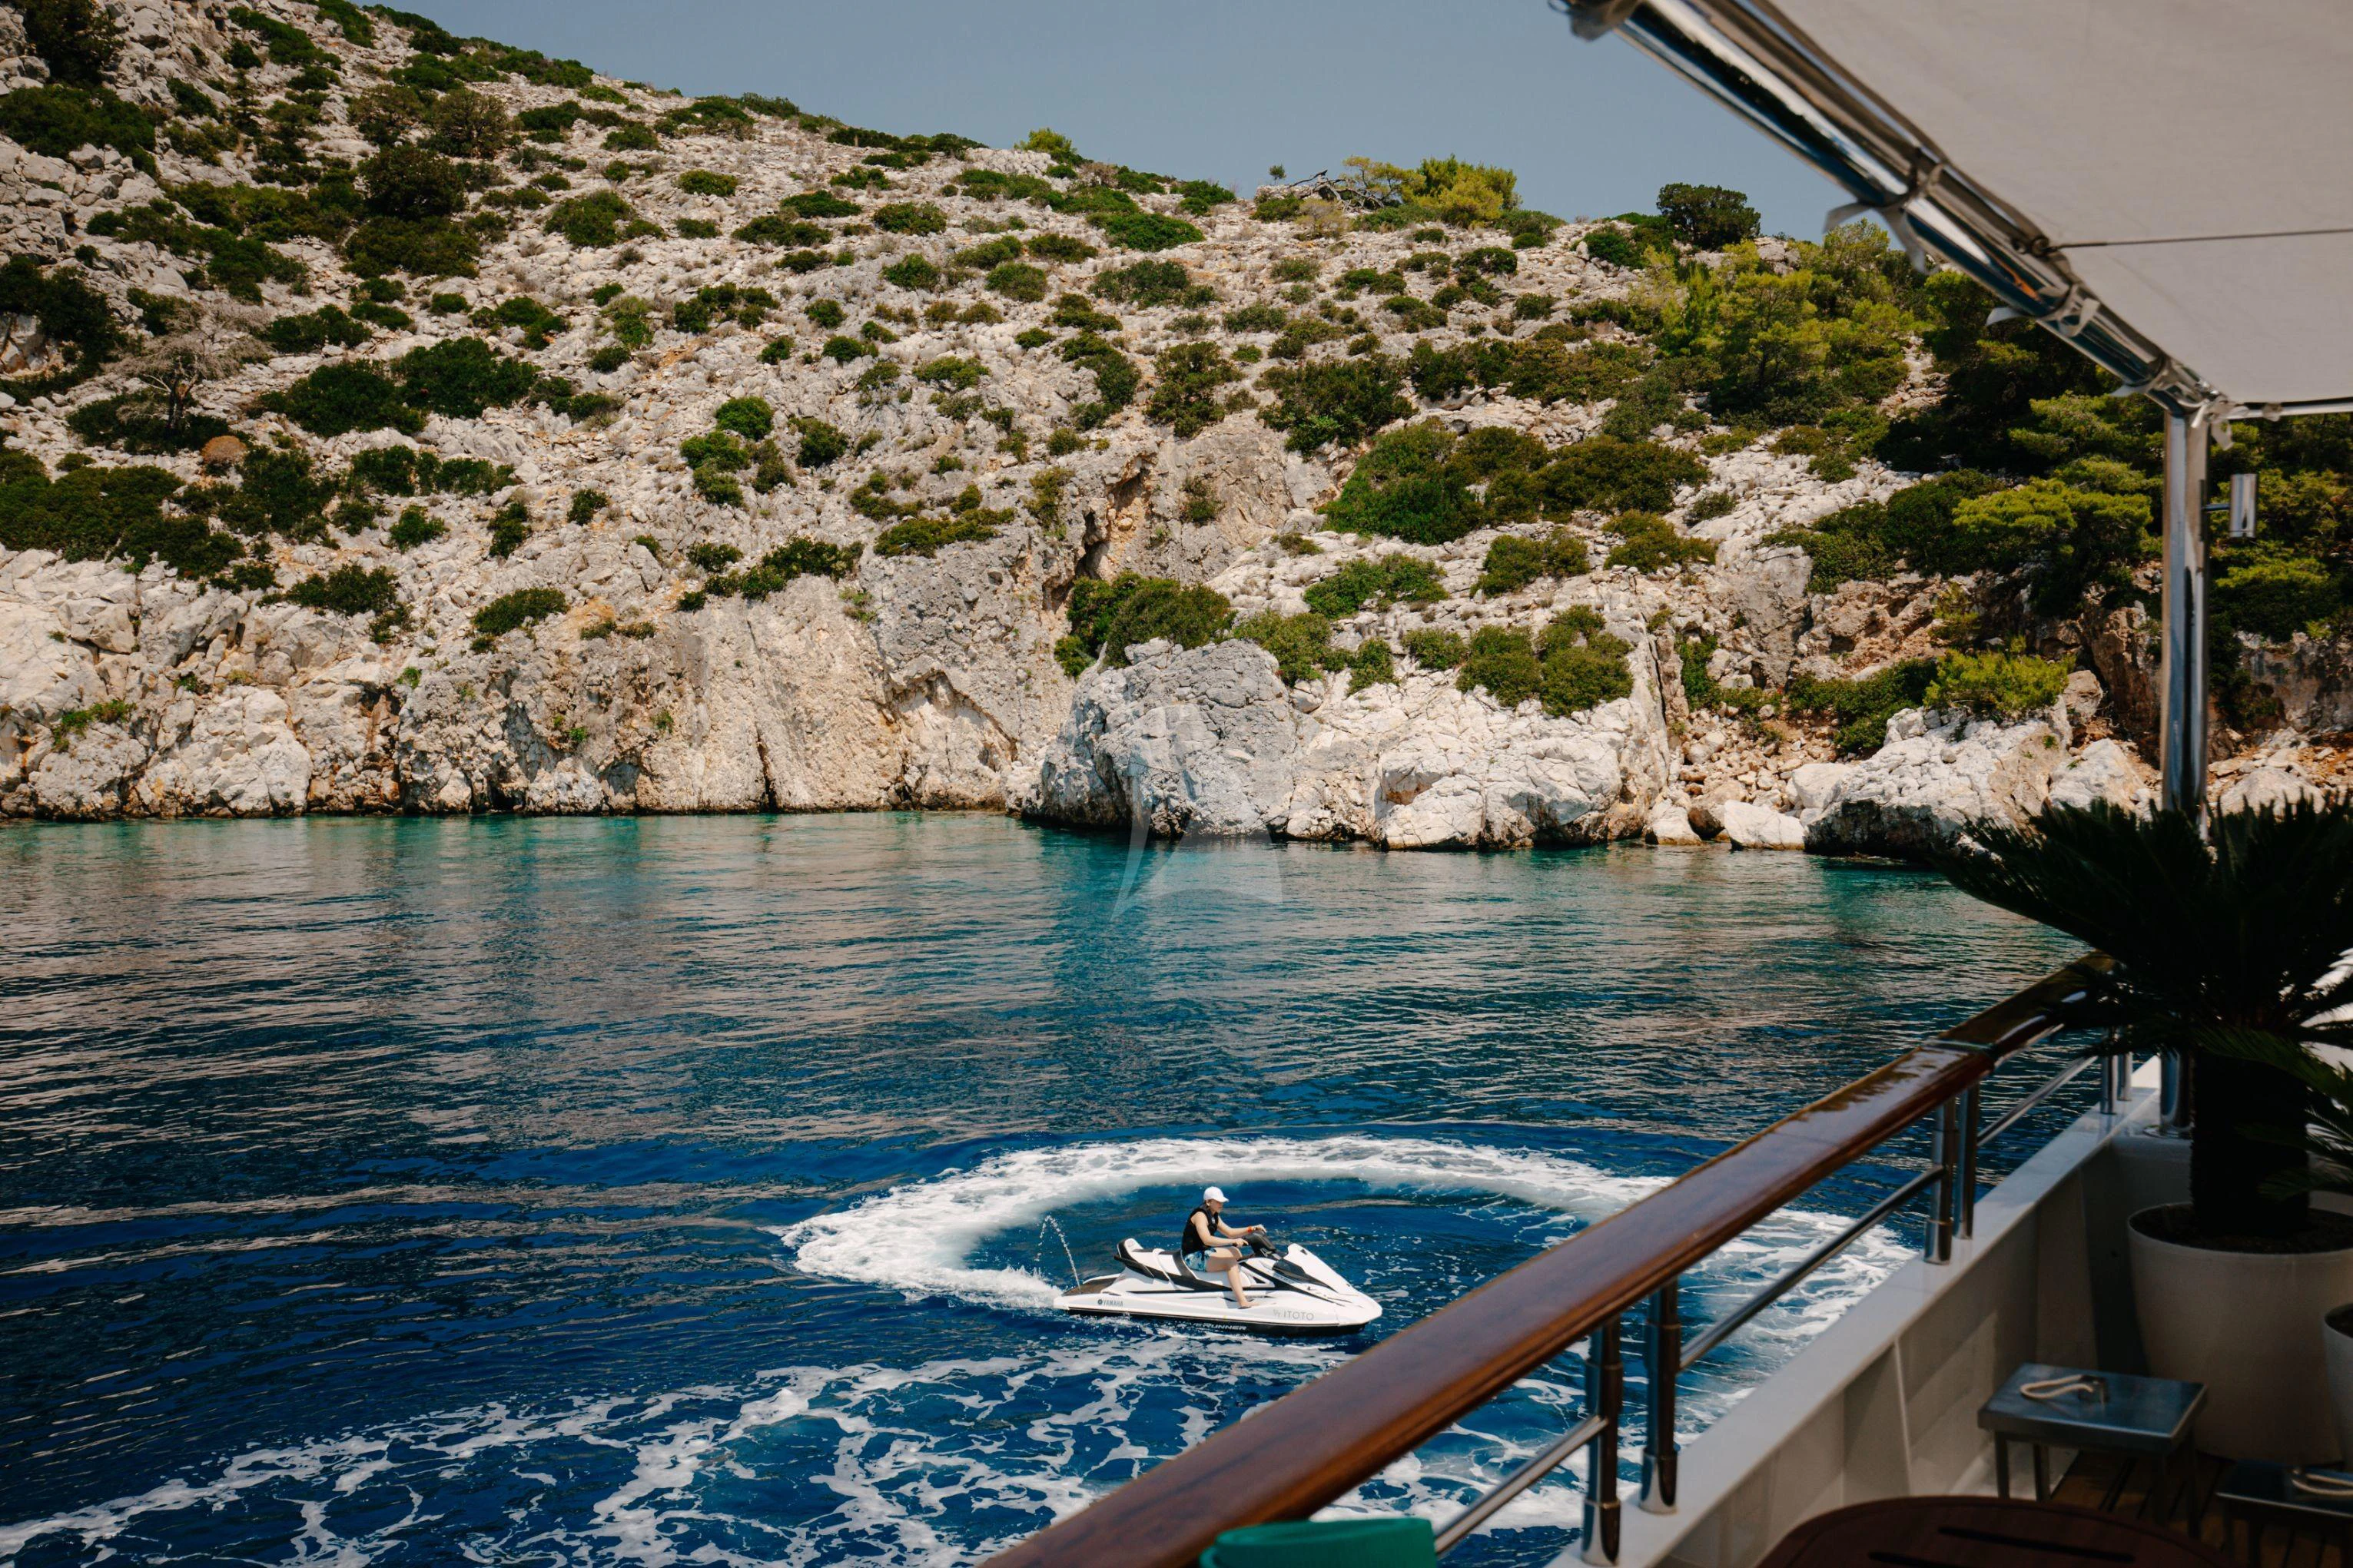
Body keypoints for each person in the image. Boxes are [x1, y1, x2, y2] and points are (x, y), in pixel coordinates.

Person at [1180, 1185, 1268, 1308]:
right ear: (1208, 1202)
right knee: (1231, 1263)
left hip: (1204, 1252)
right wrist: (1232, 1242)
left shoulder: (1213, 1214)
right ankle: (1242, 1302)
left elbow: (1230, 1232)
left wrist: (1251, 1228)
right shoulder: (1200, 1215)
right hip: (1193, 1257)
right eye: (1218, 1201)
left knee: (1235, 1252)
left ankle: (1237, 1285)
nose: (1221, 1204)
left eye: (1222, 1201)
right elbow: (1207, 1239)